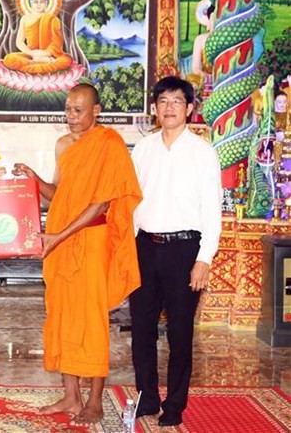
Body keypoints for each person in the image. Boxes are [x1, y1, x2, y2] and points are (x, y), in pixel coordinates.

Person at [12, 83, 142, 425]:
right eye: (67, 109)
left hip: (91, 241)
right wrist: (34, 179)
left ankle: (95, 399)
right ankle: (71, 396)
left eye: (78, 110)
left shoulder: (110, 144)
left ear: (96, 111)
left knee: (91, 320)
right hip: (60, 242)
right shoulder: (63, 145)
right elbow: (59, 195)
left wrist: (58, 236)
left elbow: (101, 202)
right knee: (63, 315)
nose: (71, 116)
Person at [130, 76, 222, 427]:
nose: (169, 108)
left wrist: (204, 259)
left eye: (176, 101)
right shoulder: (144, 149)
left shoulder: (202, 152)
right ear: (154, 108)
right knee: (142, 329)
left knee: (180, 332)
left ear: (190, 108)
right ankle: (147, 397)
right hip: (145, 247)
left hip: (184, 249)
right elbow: (134, 203)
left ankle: (175, 404)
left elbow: (212, 210)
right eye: (163, 101)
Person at [3, 0, 72, 74]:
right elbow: (19, 42)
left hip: (48, 54)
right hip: (31, 55)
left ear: (46, 2)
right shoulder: (25, 19)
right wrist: (32, 53)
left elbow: (57, 42)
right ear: (31, 2)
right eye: (36, 2)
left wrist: (46, 54)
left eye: (41, 2)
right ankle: (38, 62)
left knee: (66, 61)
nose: (38, 5)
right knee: (9, 59)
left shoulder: (52, 19)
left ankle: (34, 64)